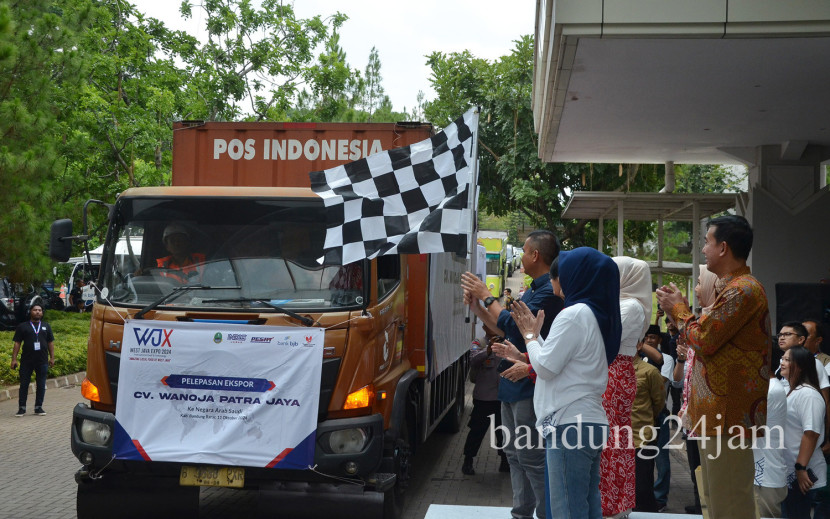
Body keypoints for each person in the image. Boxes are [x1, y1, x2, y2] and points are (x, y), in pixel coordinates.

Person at [656, 214, 771, 519]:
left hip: (727, 414)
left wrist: (677, 309)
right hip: (717, 413)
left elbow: (703, 339)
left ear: (722, 247)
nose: (703, 249)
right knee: (718, 499)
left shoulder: (743, 290)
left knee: (729, 502)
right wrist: (678, 310)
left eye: (706, 242)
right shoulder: (734, 288)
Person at [500, 247, 620, 519]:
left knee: (567, 510)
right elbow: (558, 363)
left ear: (569, 277)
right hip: (588, 422)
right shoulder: (594, 315)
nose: (552, 281)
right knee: (587, 508)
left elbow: (544, 367)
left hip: (570, 424)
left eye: (556, 275)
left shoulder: (574, 314)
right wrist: (537, 338)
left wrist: (530, 337)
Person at [461, 230, 563, 519]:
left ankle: (545, 514)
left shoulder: (547, 293)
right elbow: (504, 327)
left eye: (524, 250)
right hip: (510, 383)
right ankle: (521, 512)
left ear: (535, 255)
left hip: (529, 384)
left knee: (531, 457)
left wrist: (487, 294)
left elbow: (514, 325)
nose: (520, 256)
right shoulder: (533, 289)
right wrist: (477, 308)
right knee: (515, 456)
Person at [596, 256, 650, 518]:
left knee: (611, 439)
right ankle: (610, 501)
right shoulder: (621, 303)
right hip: (611, 371)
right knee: (608, 440)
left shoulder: (631, 306)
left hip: (614, 372)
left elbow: (605, 339)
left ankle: (612, 503)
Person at [672, 264, 719, 515]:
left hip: (711, 418)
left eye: (701, 282)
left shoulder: (711, 323)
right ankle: (701, 505)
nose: (697, 289)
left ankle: (706, 508)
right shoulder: (700, 321)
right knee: (696, 469)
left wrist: (678, 309)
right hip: (693, 417)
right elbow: (682, 378)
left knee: (711, 473)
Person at [780, 346, 828, 517]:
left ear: (799, 366)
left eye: (787, 360)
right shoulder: (788, 390)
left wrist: (801, 469)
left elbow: (811, 434)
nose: (782, 362)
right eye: (782, 358)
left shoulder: (808, 395)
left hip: (803, 475)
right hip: (788, 473)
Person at [462, 331, 509, 475]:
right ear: (484, 326)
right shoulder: (479, 343)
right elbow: (473, 360)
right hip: (484, 398)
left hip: (502, 398)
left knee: (503, 432)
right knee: (477, 431)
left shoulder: (508, 343)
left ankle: (505, 461)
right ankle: (468, 460)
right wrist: (488, 349)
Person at [631, 338, 666, 513]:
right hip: (615, 439)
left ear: (639, 345)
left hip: (642, 438)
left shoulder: (649, 372)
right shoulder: (608, 368)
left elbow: (659, 402)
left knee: (642, 488)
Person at [10, 303, 55, 417]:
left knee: (41, 384)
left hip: (42, 361)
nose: (38, 312)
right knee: (24, 384)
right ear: (30, 311)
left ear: (42, 312)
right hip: (27, 361)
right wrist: (14, 359)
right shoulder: (22, 326)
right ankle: (22, 408)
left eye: (40, 310)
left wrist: (52, 357)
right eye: (35, 310)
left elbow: (50, 342)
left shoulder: (46, 326)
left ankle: (38, 407)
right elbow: (17, 343)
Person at [753, 376, 788, 518]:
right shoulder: (770, 386)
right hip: (763, 472)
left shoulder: (770, 389)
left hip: (765, 475)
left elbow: (749, 425)